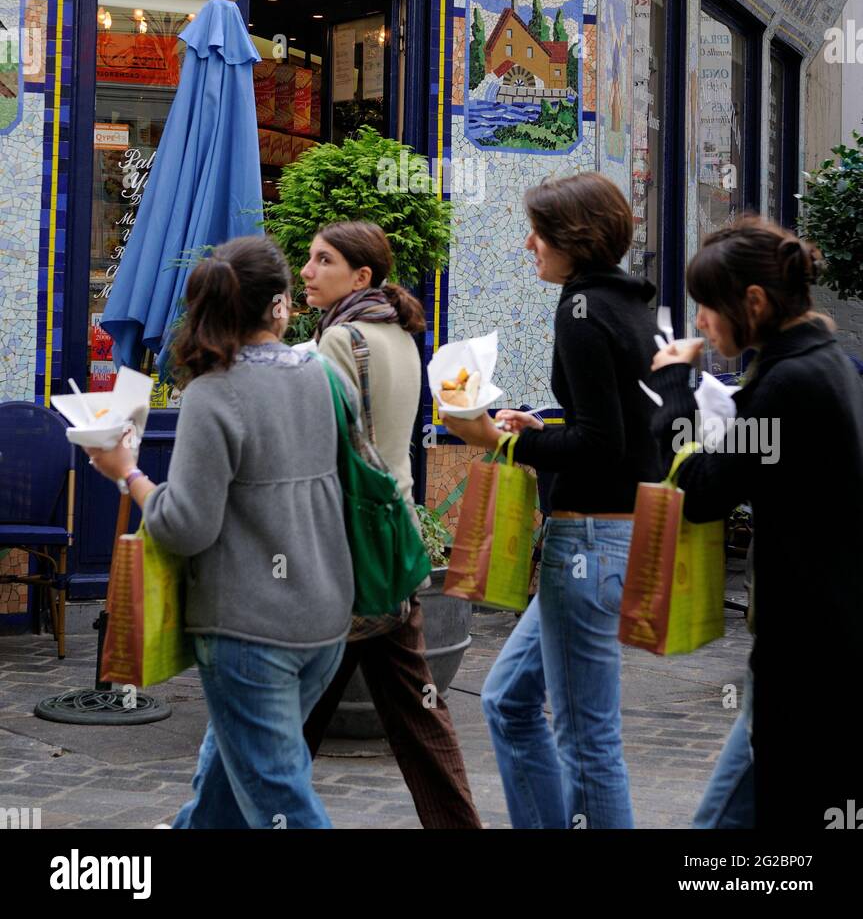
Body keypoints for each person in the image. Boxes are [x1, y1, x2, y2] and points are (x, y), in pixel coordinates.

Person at [86, 235, 355, 830]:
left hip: (249, 625)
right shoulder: (320, 374)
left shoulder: (213, 393)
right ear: (279, 305)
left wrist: (126, 472)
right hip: (325, 616)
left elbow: (184, 526)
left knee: (278, 796)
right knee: (229, 785)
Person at [442, 174, 662, 829]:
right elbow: (616, 431)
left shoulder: (581, 312)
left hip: (590, 541)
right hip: (610, 533)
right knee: (508, 700)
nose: (527, 244)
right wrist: (543, 431)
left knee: (587, 738)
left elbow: (602, 443)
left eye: (537, 231)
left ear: (574, 237)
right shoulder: (623, 303)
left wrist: (497, 442)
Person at [650, 215, 863, 829]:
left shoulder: (791, 380)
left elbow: (700, 493)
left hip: (811, 651)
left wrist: (671, 386)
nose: (699, 323)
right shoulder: (821, 360)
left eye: (706, 307)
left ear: (754, 301)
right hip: (820, 637)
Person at [300, 220, 482, 829]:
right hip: (392, 540)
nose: (306, 271)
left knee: (288, 719)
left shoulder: (339, 341)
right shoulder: (401, 335)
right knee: (416, 714)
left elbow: (326, 449)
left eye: (322, 261)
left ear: (361, 276)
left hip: (346, 553)